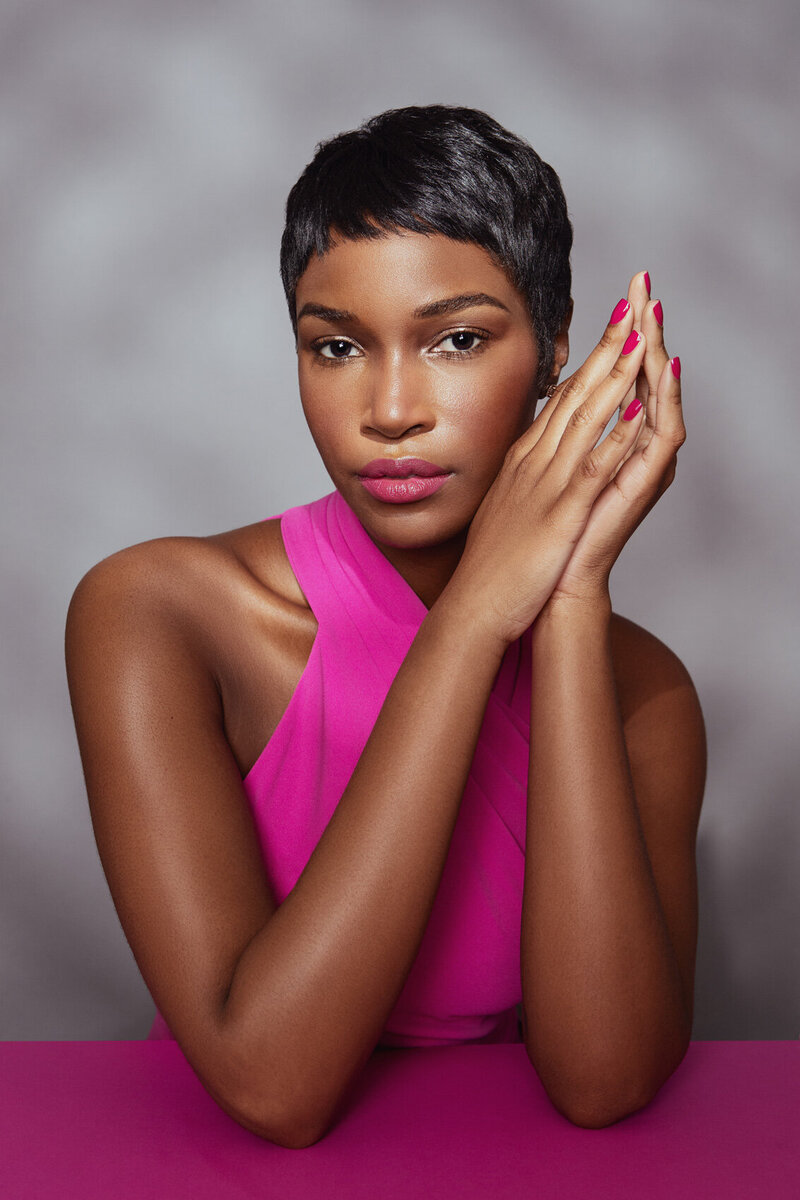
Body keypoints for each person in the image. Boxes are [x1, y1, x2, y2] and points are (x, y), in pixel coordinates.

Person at [65, 105, 706, 1147]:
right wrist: (470, 621)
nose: (390, 407)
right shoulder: (159, 615)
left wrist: (571, 598)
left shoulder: (644, 693)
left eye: (455, 339)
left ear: (553, 351)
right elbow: (273, 1087)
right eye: (336, 346)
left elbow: (603, 1081)